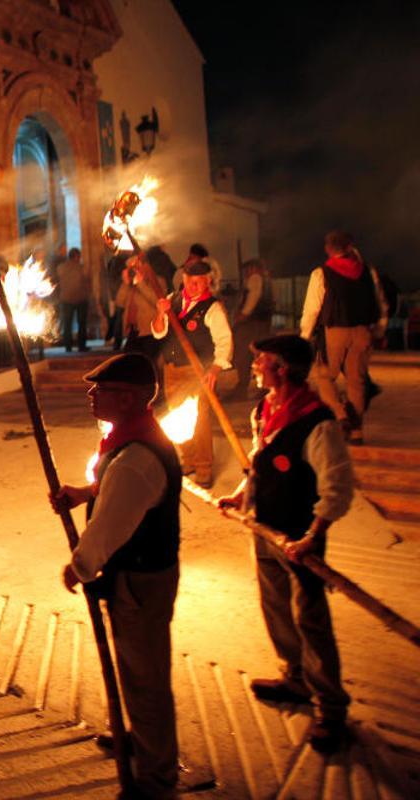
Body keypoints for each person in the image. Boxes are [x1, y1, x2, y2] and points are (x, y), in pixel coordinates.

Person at [49, 352, 182, 799]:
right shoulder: (130, 440)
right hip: (139, 577)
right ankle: (139, 740)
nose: (91, 394)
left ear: (126, 398)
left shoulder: (137, 457)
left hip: (141, 581)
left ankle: (156, 780)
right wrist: (82, 492)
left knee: (146, 681)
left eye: (100, 389)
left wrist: (80, 566)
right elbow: (114, 489)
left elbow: (112, 522)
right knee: (136, 671)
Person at [217, 335, 353, 754]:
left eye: (262, 360)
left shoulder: (318, 421)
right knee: (274, 605)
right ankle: (295, 678)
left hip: (300, 538)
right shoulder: (265, 410)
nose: (255, 364)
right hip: (265, 528)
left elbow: (337, 488)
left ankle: (330, 709)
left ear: (284, 368)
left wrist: (312, 537)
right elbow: (259, 463)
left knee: (311, 620)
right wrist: (243, 495)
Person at [298, 231, 389, 444]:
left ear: (328, 249)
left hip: (334, 333)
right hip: (362, 332)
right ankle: (356, 433)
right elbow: (380, 302)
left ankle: (341, 415)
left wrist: (305, 335)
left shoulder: (321, 273)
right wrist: (379, 330)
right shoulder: (368, 271)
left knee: (324, 376)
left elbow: (312, 309)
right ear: (350, 246)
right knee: (356, 382)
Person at [151, 260, 233, 487]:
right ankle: (187, 461)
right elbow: (159, 333)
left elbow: (224, 340)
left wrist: (216, 367)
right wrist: (160, 314)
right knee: (177, 415)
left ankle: (204, 467)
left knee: (200, 420)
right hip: (172, 370)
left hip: (197, 372)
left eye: (198, 282)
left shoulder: (213, 308)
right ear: (183, 280)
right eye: (189, 281)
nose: (193, 286)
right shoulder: (171, 300)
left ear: (207, 281)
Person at [115, 252, 167, 369]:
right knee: (130, 365)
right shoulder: (130, 284)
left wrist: (141, 284)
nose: (135, 270)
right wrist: (125, 283)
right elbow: (119, 302)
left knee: (149, 366)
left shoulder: (157, 281)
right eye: (131, 268)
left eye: (136, 266)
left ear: (145, 265)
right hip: (133, 331)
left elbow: (157, 301)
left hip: (149, 332)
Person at [230, 259, 274, 398]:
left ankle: (242, 387)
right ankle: (267, 386)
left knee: (243, 355)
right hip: (263, 323)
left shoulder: (255, 279)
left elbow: (252, 299)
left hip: (250, 324)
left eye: (247, 270)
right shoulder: (267, 281)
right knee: (261, 354)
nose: (246, 273)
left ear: (253, 268)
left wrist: (242, 315)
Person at [56, 247, 91, 352]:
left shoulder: (60, 268)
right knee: (82, 323)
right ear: (76, 257)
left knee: (67, 324)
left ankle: (68, 346)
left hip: (66, 299)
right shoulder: (82, 268)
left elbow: (57, 280)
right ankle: (81, 345)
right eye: (79, 256)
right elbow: (87, 281)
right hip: (81, 299)